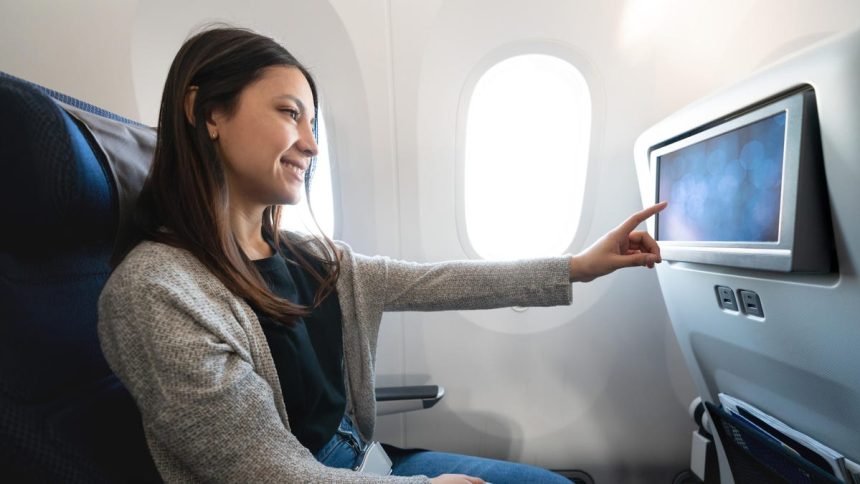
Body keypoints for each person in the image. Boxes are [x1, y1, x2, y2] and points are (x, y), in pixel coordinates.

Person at [98, 26, 666, 484]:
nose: (311, 144)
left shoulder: (309, 258)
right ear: (207, 112)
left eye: (313, 123)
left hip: (365, 461)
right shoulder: (156, 292)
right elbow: (264, 473)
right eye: (290, 113)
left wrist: (578, 267)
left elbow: (440, 281)